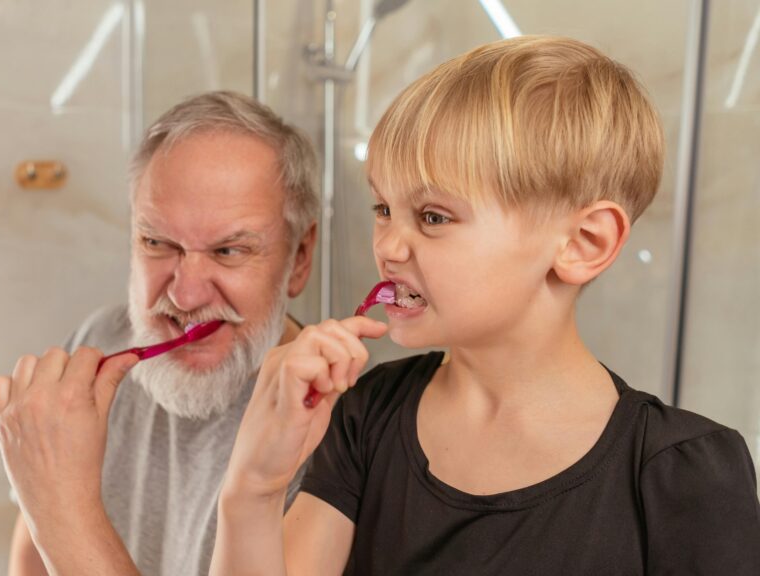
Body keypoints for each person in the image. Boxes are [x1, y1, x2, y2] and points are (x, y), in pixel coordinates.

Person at [210, 36, 760, 575]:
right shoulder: (364, 418)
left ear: (583, 243)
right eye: (383, 208)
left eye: (432, 216)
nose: (387, 246)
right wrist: (252, 491)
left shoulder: (682, 471)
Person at [0, 91, 319, 576]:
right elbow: (31, 556)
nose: (184, 296)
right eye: (156, 242)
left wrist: (65, 512)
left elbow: (55, 529)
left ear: (300, 259)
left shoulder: (335, 427)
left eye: (229, 251)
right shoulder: (101, 340)